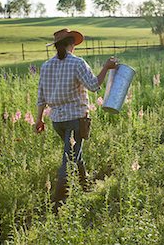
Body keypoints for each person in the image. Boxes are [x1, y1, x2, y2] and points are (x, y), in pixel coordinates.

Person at [35, 28, 117, 211]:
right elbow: (94, 86)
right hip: (76, 118)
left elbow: (41, 97)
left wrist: (39, 120)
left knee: (73, 151)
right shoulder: (77, 63)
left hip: (56, 121)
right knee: (70, 157)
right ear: (71, 44)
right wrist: (106, 67)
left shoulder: (46, 66)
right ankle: (58, 202)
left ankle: (84, 184)